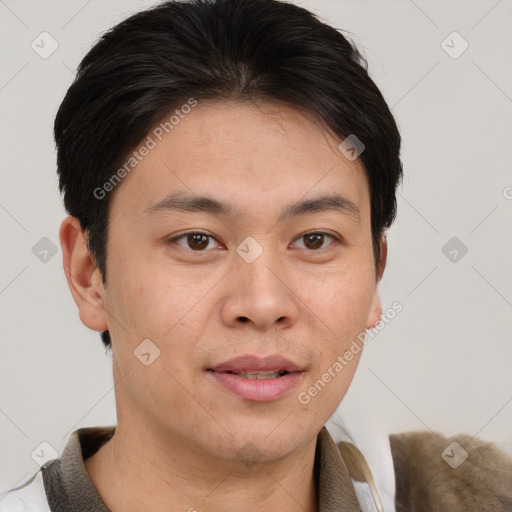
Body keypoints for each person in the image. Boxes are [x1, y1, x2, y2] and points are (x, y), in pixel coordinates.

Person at [1, 1, 511, 511]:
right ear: (89, 274)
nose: (263, 303)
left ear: (376, 273)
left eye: (314, 240)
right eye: (197, 240)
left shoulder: (463, 497)